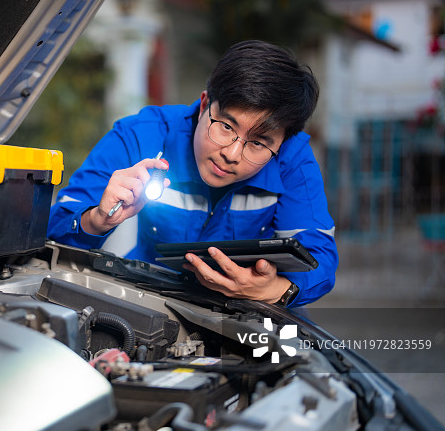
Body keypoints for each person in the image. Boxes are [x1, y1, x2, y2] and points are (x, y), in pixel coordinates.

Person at [47, 40, 337, 307]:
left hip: (249, 310)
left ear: (282, 143)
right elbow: (56, 229)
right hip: (150, 297)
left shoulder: (292, 157)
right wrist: (95, 220)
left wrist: (275, 291)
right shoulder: (140, 136)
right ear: (203, 105)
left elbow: (319, 258)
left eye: (259, 143)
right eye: (225, 127)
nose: (231, 154)